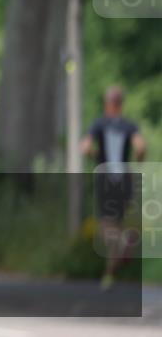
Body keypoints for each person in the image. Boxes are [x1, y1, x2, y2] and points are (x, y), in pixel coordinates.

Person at [80, 85, 146, 290]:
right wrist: (138, 162)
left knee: (106, 228)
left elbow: (85, 147)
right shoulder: (129, 126)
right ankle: (109, 275)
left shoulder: (99, 123)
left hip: (106, 179)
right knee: (116, 226)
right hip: (125, 179)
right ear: (121, 104)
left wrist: (95, 156)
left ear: (106, 103)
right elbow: (141, 148)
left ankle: (124, 242)